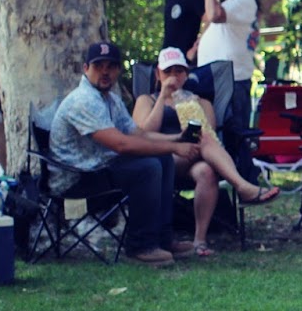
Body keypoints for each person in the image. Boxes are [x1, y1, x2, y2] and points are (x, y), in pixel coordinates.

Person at [47, 41, 202, 266]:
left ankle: (163, 239)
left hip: (97, 167)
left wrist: (176, 139)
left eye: (111, 66)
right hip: (76, 179)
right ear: (85, 68)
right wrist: (175, 147)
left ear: (118, 70)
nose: (105, 71)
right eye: (99, 65)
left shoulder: (110, 99)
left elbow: (138, 134)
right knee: (147, 168)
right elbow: (122, 145)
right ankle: (141, 246)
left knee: (163, 160)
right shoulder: (84, 100)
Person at [131, 47, 280, 257]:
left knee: (206, 171)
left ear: (187, 73)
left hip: (193, 157)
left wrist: (192, 113)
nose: (174, 76)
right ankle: (242, 186)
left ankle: (199, 241)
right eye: (168, 71)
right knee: (205, 141)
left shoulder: (202, 102)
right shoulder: (146, 100)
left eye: (179, 71)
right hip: (162, 158)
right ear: (158, 74)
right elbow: (143, 134)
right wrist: (164, 97)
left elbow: (209, 135)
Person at [196, 0, 259, 132]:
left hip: (232, 80)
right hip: (221, 78)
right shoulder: (235, 1)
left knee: (233, 135)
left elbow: (214, 15)